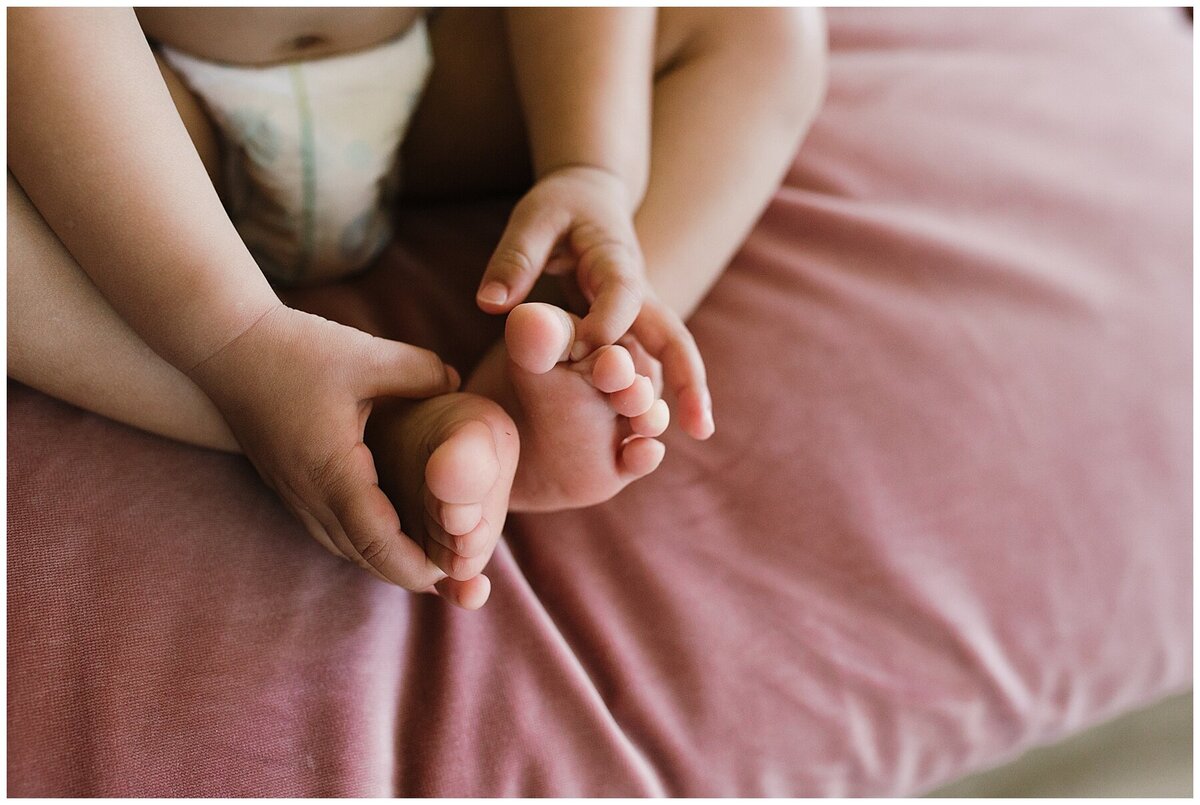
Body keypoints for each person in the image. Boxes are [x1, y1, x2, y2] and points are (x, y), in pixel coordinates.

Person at [7, 8, 828, 609]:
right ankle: (308, 409)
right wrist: (232, 335)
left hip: (439, 68)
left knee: (763, 29)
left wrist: (590, 164)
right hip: (133, 122)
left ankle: (562, 349)